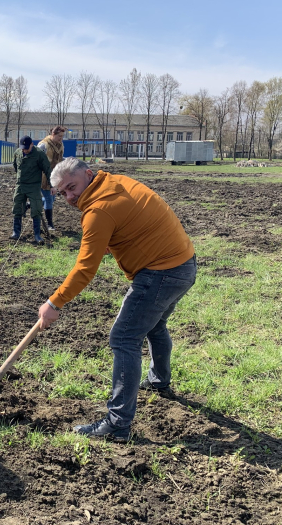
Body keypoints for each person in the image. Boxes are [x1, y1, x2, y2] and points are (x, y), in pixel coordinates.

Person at [37, 158, 196, 442]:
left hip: (162, 272)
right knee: (154, 325)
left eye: (72, 187)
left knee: (124, 337)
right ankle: (159, 382)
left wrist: (54, 303)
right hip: (183, 263)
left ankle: (117, 423)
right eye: (62, 193)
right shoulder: (112, 182)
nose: (70, 197)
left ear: (88, 174)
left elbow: (85, 268)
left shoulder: (98, 209)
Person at [11, 135, 53, 244]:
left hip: (34, 186)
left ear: (32, 145)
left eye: (26, 148)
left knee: (36, 209)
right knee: (17, 207)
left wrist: (52, 186)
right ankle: (16, 232)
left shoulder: (39, 155)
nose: (24, 150)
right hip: (20, 185)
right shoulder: (17, 153)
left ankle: (37, 235)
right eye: (22, 148)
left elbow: (47, 170)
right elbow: (15, 166)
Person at [36, 126, 66, 231]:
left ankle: (30, 204)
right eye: (59, 136)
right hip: (43, 177)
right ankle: (49, 224)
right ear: (53, 134)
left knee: (52, 199)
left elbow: (60, 158)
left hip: (54, 176)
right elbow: (36, 159)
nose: (61, 138)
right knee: (49, 199)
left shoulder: (61, 145)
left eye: (62, 136)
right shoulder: (44, 145)